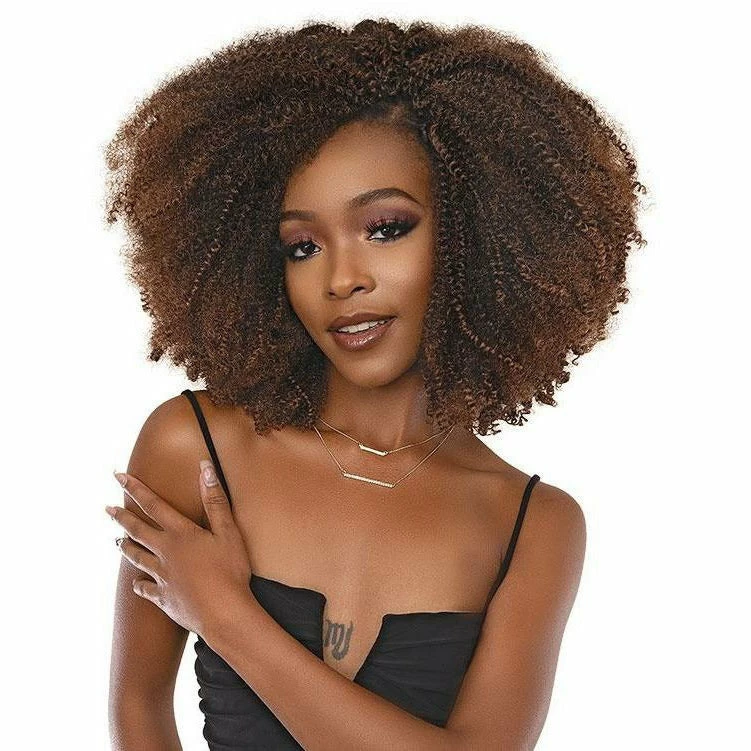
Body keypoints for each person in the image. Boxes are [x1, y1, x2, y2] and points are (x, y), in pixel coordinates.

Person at [104, 18, 646, 750]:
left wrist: (223, 615)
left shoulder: (532, 525)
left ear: (474, 235)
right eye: (302, 246)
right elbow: (138, 711)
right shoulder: (194, 449)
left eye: (386, 228)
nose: (341, 279)